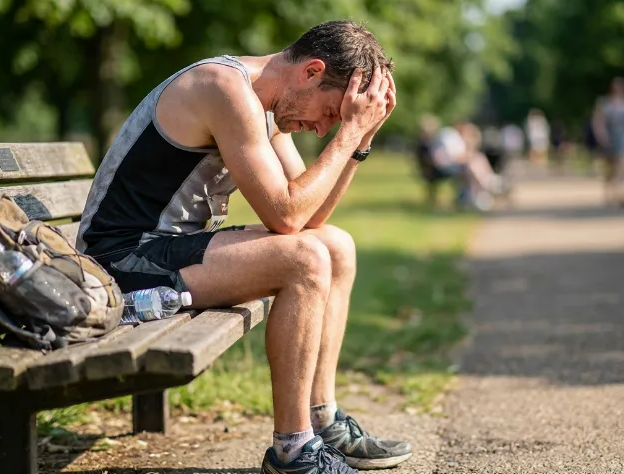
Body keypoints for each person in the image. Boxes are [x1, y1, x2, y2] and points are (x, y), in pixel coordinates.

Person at [76, 21, 408, 474]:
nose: (322, 129)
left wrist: (360, 140)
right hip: (117, 261)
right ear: (311, 72)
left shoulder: (267, 106)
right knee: (305, 260)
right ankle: (294, 452)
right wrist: (347, 136)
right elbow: (286, 215)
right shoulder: (223, 88)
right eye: (331, 113)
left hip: (164, 251)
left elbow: (310, 217)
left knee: (336, 245)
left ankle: (322, 420)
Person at [592, 77, 624, 208]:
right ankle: (609, 193)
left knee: (622, 166)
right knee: (610, 168)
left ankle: (622, 193)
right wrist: (601, 137)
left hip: (623, 138)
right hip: (608, 137)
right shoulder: (604, 103)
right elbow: (598, 122)